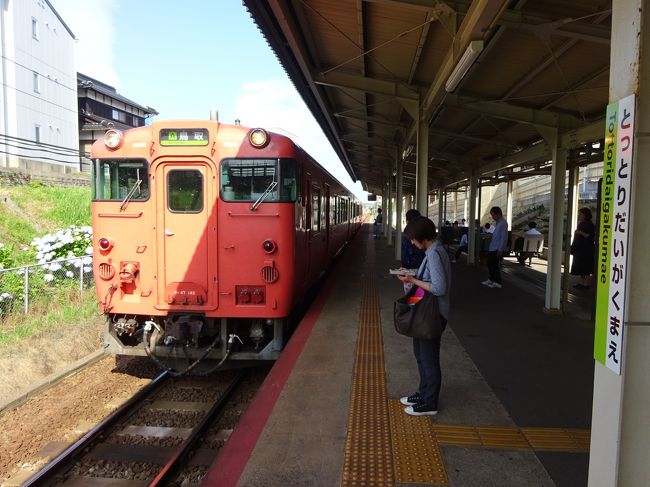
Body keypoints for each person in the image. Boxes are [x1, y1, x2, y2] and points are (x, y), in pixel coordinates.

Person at [396, 216, 451, 416]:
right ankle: (423, 392)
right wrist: (409, 278)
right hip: (427, 313)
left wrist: (412, 279)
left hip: (433, 315)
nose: (411, 242)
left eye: (413, 238)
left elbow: (438, 287)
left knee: (429, 359)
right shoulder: (432, 251)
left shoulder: (435, 253)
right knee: (421, 355)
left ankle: (430, 403)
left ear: (422, 237)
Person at [482, 206, 508, 289]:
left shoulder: (503, 223)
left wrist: (500, 249)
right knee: (490, 264)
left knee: (494, 265)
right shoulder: (499, 223)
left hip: (496, 248)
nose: (492, 217)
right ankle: (492, 279)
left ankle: (498, 282)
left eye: (493, 215)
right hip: (493, 247)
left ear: (499, 214)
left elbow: (504, 237)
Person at [570, 208, 596, 289]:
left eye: (580, 214)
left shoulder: (590, 225)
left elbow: (591, 237)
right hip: (579, 249)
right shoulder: (581, 224)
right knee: (580, 267)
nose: (578, 216)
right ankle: (582, 283)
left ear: (585, 215)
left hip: (586, 249)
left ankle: (586, 284)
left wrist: (580, 233)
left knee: (586, 267)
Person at [401, 209, 425, 291]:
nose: (412, 242)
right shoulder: (423, 232)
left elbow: (406, 255)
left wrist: (403, 268)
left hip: (411, 270)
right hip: (423, 269)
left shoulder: (408, 234)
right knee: (420, 295)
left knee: (411, 296)